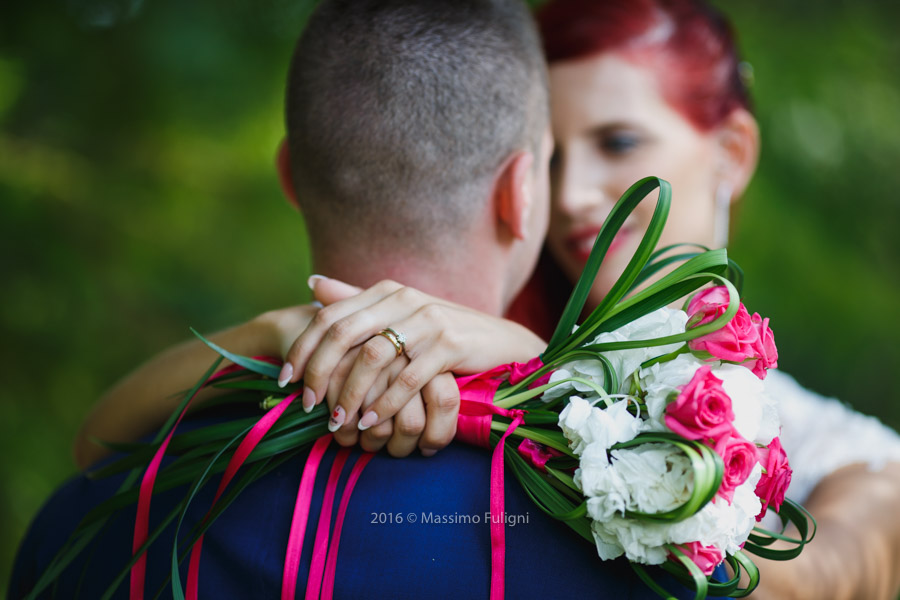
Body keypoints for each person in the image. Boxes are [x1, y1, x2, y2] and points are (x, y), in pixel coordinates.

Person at [10, 0, 702, 598]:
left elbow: (92, 445)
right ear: (521, 191)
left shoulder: (90, 520)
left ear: (289, 174)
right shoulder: (638, 533)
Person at [274, 0, 900, 598]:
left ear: (731, 154)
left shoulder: (851, 456)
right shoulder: (445, 353)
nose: (571, 195)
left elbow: (816, 584)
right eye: (552, 161)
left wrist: (544, 371)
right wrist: (279, 334)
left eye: (618, 143)